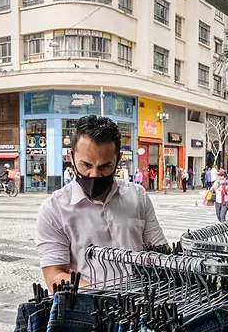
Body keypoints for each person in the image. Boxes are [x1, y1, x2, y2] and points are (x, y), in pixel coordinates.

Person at [36, 115, 167, 290]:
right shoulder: (53, 210)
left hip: (142, 303)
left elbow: (161, 253)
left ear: (118, 159)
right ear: (71, 157)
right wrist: (101, 296)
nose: (94, 174)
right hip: (87, 308)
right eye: (86, 165)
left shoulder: (138, 197)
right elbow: (54, 275)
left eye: (105, 166)